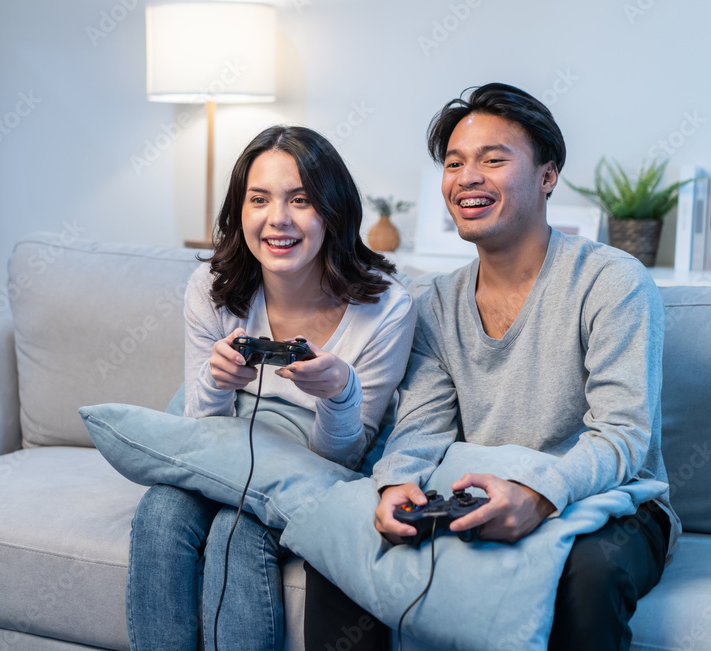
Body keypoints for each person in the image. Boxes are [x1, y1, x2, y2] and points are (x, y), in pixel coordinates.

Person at [372, 83, 678, 650]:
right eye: (455, 163)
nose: (467, 177)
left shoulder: (612, 282)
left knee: (588, 578)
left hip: (616, 504)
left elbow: (623, 435)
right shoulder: (433, 305)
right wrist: (396, 485)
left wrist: (536, 493)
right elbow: (420, 428)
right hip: (487, 497)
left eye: (493, 159)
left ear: (546, 176)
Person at [126, 125, 415, 651]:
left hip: (315, 461)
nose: (277, 219)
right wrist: (216, 383)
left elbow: (343, 455)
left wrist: (340, 393)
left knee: (239, 531)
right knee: (160, 511)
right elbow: (201, 429)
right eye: (259, 199)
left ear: (333, 210)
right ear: (240, 209)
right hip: (223, 437)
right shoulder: (213, 289)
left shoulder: (387, 308)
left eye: (300, 200)